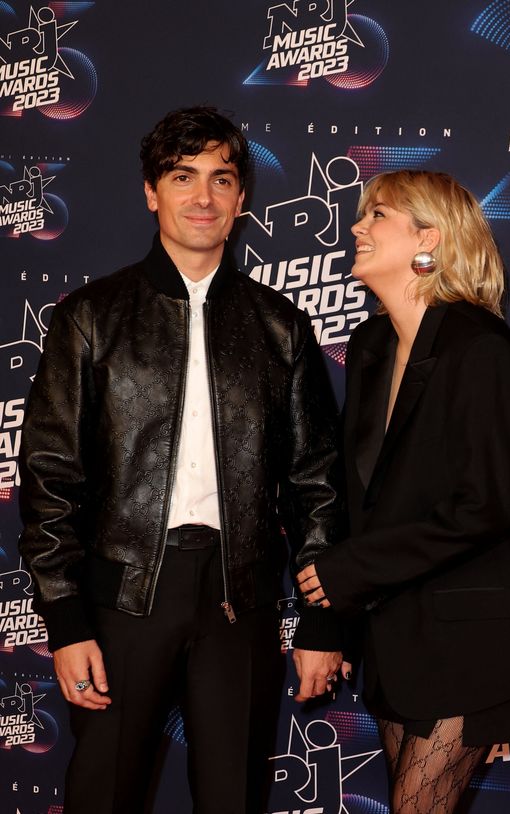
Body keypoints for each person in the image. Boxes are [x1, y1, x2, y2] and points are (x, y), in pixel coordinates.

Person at [18, 106, 344, 814]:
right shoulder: (91, 317)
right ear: (150, 192)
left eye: (221, 180)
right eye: (183, 176)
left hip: (242, 603)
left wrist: (322, 620)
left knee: (232, 797)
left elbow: (315, 484)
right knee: (102, 794)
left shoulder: (281, 325)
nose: (203, 198)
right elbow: (50, 476)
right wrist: (66, 620)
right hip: (124, 598)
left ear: (242, 199)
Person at [297, 170, 510, 813]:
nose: (357, 227)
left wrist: (350, 571)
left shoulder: (480, 348)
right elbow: (358, 503)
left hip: (477, 642)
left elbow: (487, 505)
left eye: (378, 215)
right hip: (400, 638)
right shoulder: (369, 347)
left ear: (430, 239)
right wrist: (326, 621)